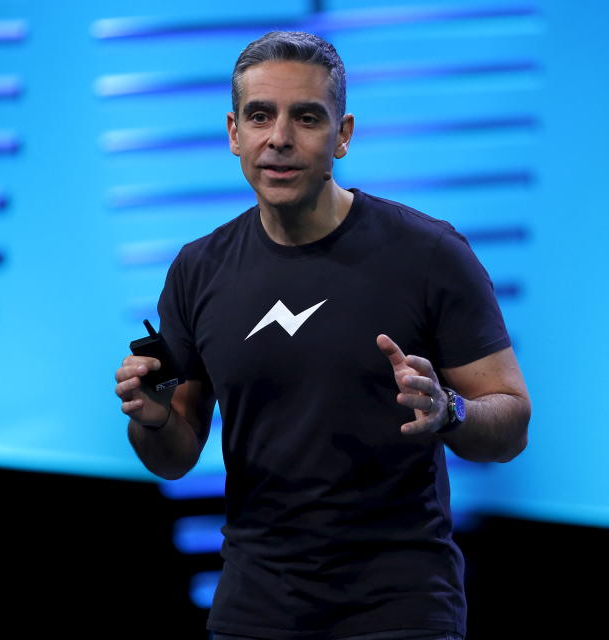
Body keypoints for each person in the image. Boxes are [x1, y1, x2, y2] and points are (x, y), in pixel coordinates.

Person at [114, 31, 531, 640]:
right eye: (261, 116)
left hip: (400, 608)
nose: (279, 138)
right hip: (253, 608)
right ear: (234, 133)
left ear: (343, 134)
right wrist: (150, 419)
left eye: (306, 117)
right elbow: (174, 456)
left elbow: (512, 424)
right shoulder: (197, 270)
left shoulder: (430, 254)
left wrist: (451, 411)